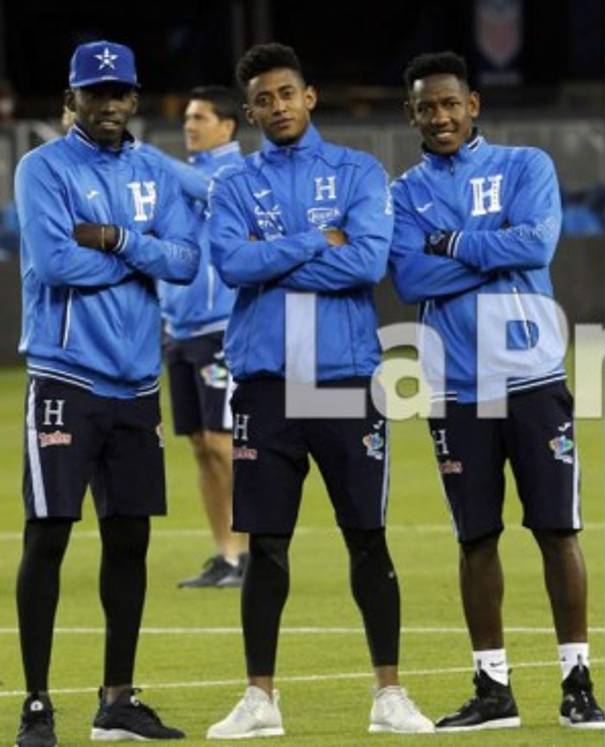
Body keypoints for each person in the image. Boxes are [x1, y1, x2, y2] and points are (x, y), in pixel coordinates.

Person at [204, 42, 432, 738]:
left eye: (286, 93)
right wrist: (313, 240)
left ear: (310, 96)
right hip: (268, 385)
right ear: (250, 113)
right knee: (266, 544)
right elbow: (231, 263)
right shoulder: (233, 185)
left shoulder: (360, 171)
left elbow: (366, 262)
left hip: (340, 380)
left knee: (367, 536)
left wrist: (275, 256)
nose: (277, 107)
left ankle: (389, 693)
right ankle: (259, 699)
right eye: (263, 100)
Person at [386, 51, 602, 730]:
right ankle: (493, 689)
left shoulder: (525, 165)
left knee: (557, 529)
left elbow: (536, 246)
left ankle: (576, 680)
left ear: (472, 104)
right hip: (455, 387)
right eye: (428, 106)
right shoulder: (401, 194)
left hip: (534, 375)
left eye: (451, 103)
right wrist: (487, 247)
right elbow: (410, 282)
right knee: (475, 538)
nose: (442, 116)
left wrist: (448, 244)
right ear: (412, 114)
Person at [13, 40, 199, 745]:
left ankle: (116, 699)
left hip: (134, 384)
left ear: (134, 95)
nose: (111, 104)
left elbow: (184, 259)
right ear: (73, 99)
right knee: (49, 535)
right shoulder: (42, 168)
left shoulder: (154, 169)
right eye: (97, 93)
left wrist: (118, 238)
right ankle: (36, 703)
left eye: (121, 91)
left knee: (129, 541)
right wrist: (141, 252)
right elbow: (56, 261)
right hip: (66, 374)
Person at [161, 85, 248, 589]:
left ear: (227, 126)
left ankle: (257, 549)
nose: (189, 125)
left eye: (199, 117)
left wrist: (135, 150)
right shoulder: (184, 177)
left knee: (225, 442)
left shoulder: (233, 174)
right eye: (187, 118)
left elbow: (201, 188)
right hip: (180, 328)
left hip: (222, 327)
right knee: (199, 443)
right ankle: (226, 555)